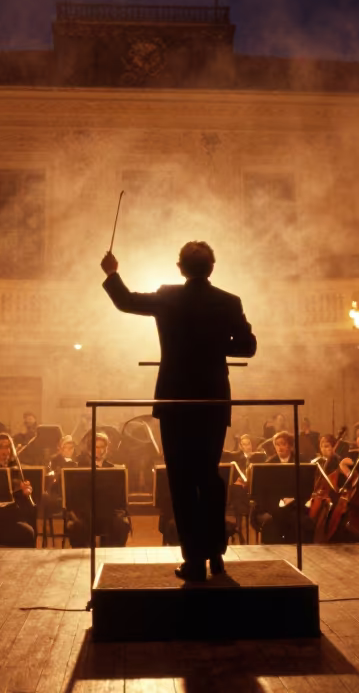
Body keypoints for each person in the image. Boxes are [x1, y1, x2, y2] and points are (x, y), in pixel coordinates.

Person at [101, 241, 256, 581]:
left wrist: (113, 273)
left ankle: (193, 559)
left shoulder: (168, 296)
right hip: (213, 401)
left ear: (181, 268)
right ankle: (215, 551)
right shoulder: (229, 301)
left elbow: (126, 301)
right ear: (211, 268)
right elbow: (248, 346)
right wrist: (216, 344)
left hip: (175, 401)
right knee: (209, 475)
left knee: (182, 481)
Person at [66, 433, 131, 547]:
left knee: (121, 524)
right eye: (96, 447)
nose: (100, 450)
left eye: (102, 447)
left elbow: (120, 497)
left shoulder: (114, 469)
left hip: (109, 511)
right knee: (77, 525)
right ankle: (84, 555)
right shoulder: (80, 467)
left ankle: (112, 554)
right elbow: (74, 496)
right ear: (90, 448)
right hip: (86, 512)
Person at [252, 432, 301, 544]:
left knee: (300, 521)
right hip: (273, 504)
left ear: (290, 445)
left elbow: (303, 486)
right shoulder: (269, 463)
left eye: (283, 444)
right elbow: (264, 490)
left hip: (295, 504)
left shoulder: (299, 461)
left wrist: (293, 499)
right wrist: (279, 500)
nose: (279, 447)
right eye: (277, 444)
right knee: (275, 520)